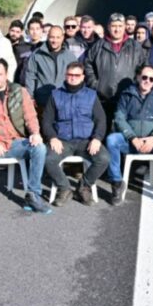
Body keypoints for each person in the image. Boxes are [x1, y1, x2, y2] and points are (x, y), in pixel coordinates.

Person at [0, 59, 50, 220]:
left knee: (39, 148)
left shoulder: (20, 91)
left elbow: (30, 116)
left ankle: (33, 195)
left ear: (6, 74)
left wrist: (35, 133)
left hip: (16, 142)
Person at [107, 64, 153, 205]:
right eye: (145, 77)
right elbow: (119, 118)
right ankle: (116, 183)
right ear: (138, 77)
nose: (148, 81)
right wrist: (132, 137)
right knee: (112, 140)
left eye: (151, 79)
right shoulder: (126, 94)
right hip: (131, 142)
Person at [42, 61, 110, 207]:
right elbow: (46, 120)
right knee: (48, 159)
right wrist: (52, 137)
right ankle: (64, 188)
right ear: (65, 75)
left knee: (103, 158)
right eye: (70, 75)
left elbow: (101, 119)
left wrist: (97, 138)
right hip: (63, 141)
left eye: (76, 75)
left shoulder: (91, 95)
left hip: (85, 141)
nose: (73, 78)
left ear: (83, 77)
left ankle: (84, 186)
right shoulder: (55, 95)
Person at [84, 13, 145, 116]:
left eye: (120, 26)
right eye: (114, 26)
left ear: (124, 27)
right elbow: (88, 65)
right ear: (108, 27)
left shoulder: (135, 47)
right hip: (102, 98)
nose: (117, 29)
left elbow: (142, 68)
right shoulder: (98, 46)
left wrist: (135, 86)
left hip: (128, 97)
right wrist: (95, 84)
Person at [25, 25, 78, 108]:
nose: (55, 40)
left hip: (64, 100)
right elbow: (30, 76)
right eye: (52, 37)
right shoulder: (37, 55)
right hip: (43, 100)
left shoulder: (70, 56)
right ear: (47, 37)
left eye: (58, 37)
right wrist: (30, 97)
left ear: (62, 38)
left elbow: (76, 78)